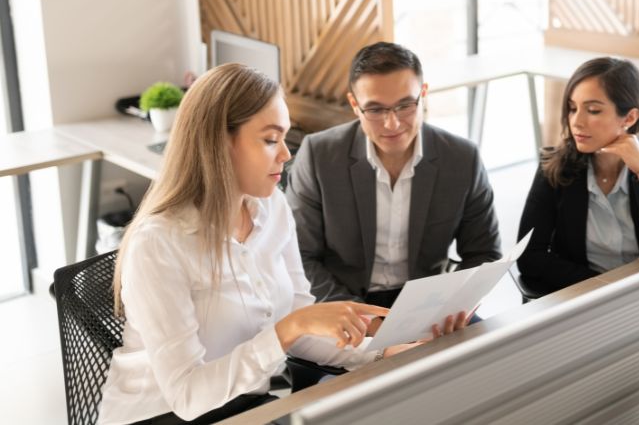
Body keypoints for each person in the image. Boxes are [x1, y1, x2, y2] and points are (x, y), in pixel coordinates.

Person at [99, 64, 413, 425]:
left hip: (243, 404)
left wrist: (381, 353)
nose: (285, 154)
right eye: (269, 139)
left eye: (284, 138)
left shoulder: (272, 206)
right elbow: (186, 396)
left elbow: (299, 323)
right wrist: (288, 329)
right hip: (161, 415)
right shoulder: (158, 243)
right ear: (219, 143)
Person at [286, 42, 501, 316]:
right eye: (375, 110)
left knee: (489, 354)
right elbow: (299, 257)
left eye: (405, 105)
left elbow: (484, 253)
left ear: (423, 94)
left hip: (429, 306)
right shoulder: (318, 155)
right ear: (354, 104)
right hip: (342, 302)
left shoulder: (462, 158)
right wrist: (358, 317)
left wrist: (454, 305)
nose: (393, 124)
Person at [516, 57, 639, 294]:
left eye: (593, 110)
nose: (577, 121)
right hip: (580, 299)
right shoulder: (554, 167)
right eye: (573, 108)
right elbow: (528, 257)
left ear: (629, 118)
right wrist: (609, 284)